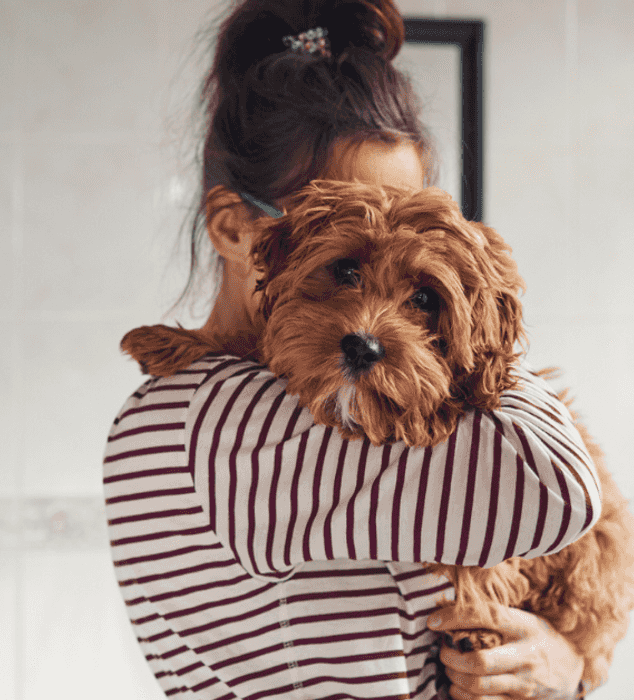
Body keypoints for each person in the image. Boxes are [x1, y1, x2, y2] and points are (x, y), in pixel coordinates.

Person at [104, 1, 601, 698]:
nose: (373, 319)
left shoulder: (300, 410)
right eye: (340, 250)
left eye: (411, 223)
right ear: (234, 227)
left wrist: (563, 664)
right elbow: (556, 488)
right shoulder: (215, 413)